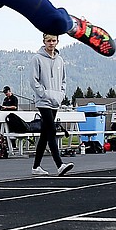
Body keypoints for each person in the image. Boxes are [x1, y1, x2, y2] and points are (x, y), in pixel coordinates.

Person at [29, 34, 74, 177]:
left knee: (45, 133)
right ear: (44, 41)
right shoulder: (37, 59)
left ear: (57, 42)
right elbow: (33, 80)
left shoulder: (60, 60)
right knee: (52, 130)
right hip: (43, 101)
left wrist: (60, 95)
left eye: (53, 40)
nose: (51, 43)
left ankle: (36, 166)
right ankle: (59, 164)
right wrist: (43, 94)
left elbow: (64, 80)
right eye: (48, 40)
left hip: (56, 100)